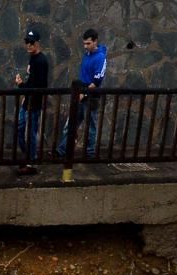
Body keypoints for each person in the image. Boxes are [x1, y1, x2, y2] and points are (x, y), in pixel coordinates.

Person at [55, 29, 108, 160]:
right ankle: (63, 150)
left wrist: (84, 94)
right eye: (84, 43)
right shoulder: (87, 54)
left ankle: (89, 154)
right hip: (82, 89)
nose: (85, 46)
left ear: (95, 41)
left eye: (88, 43)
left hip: (91, 93)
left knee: (90, 127)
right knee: (71, 124)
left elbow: (97, 81)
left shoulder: (100, 57)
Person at [14, 29, 49, 175]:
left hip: (33, 102)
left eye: (31, 42)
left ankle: (31, 161)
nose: (28, 45)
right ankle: (28, 155)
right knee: (20, 128)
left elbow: (39, 86)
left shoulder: (41, 61)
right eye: (26, 42)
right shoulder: (33, 58)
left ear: (37, 43)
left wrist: (21, 85)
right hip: (27, 100)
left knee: (31, 131)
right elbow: (32, 80)